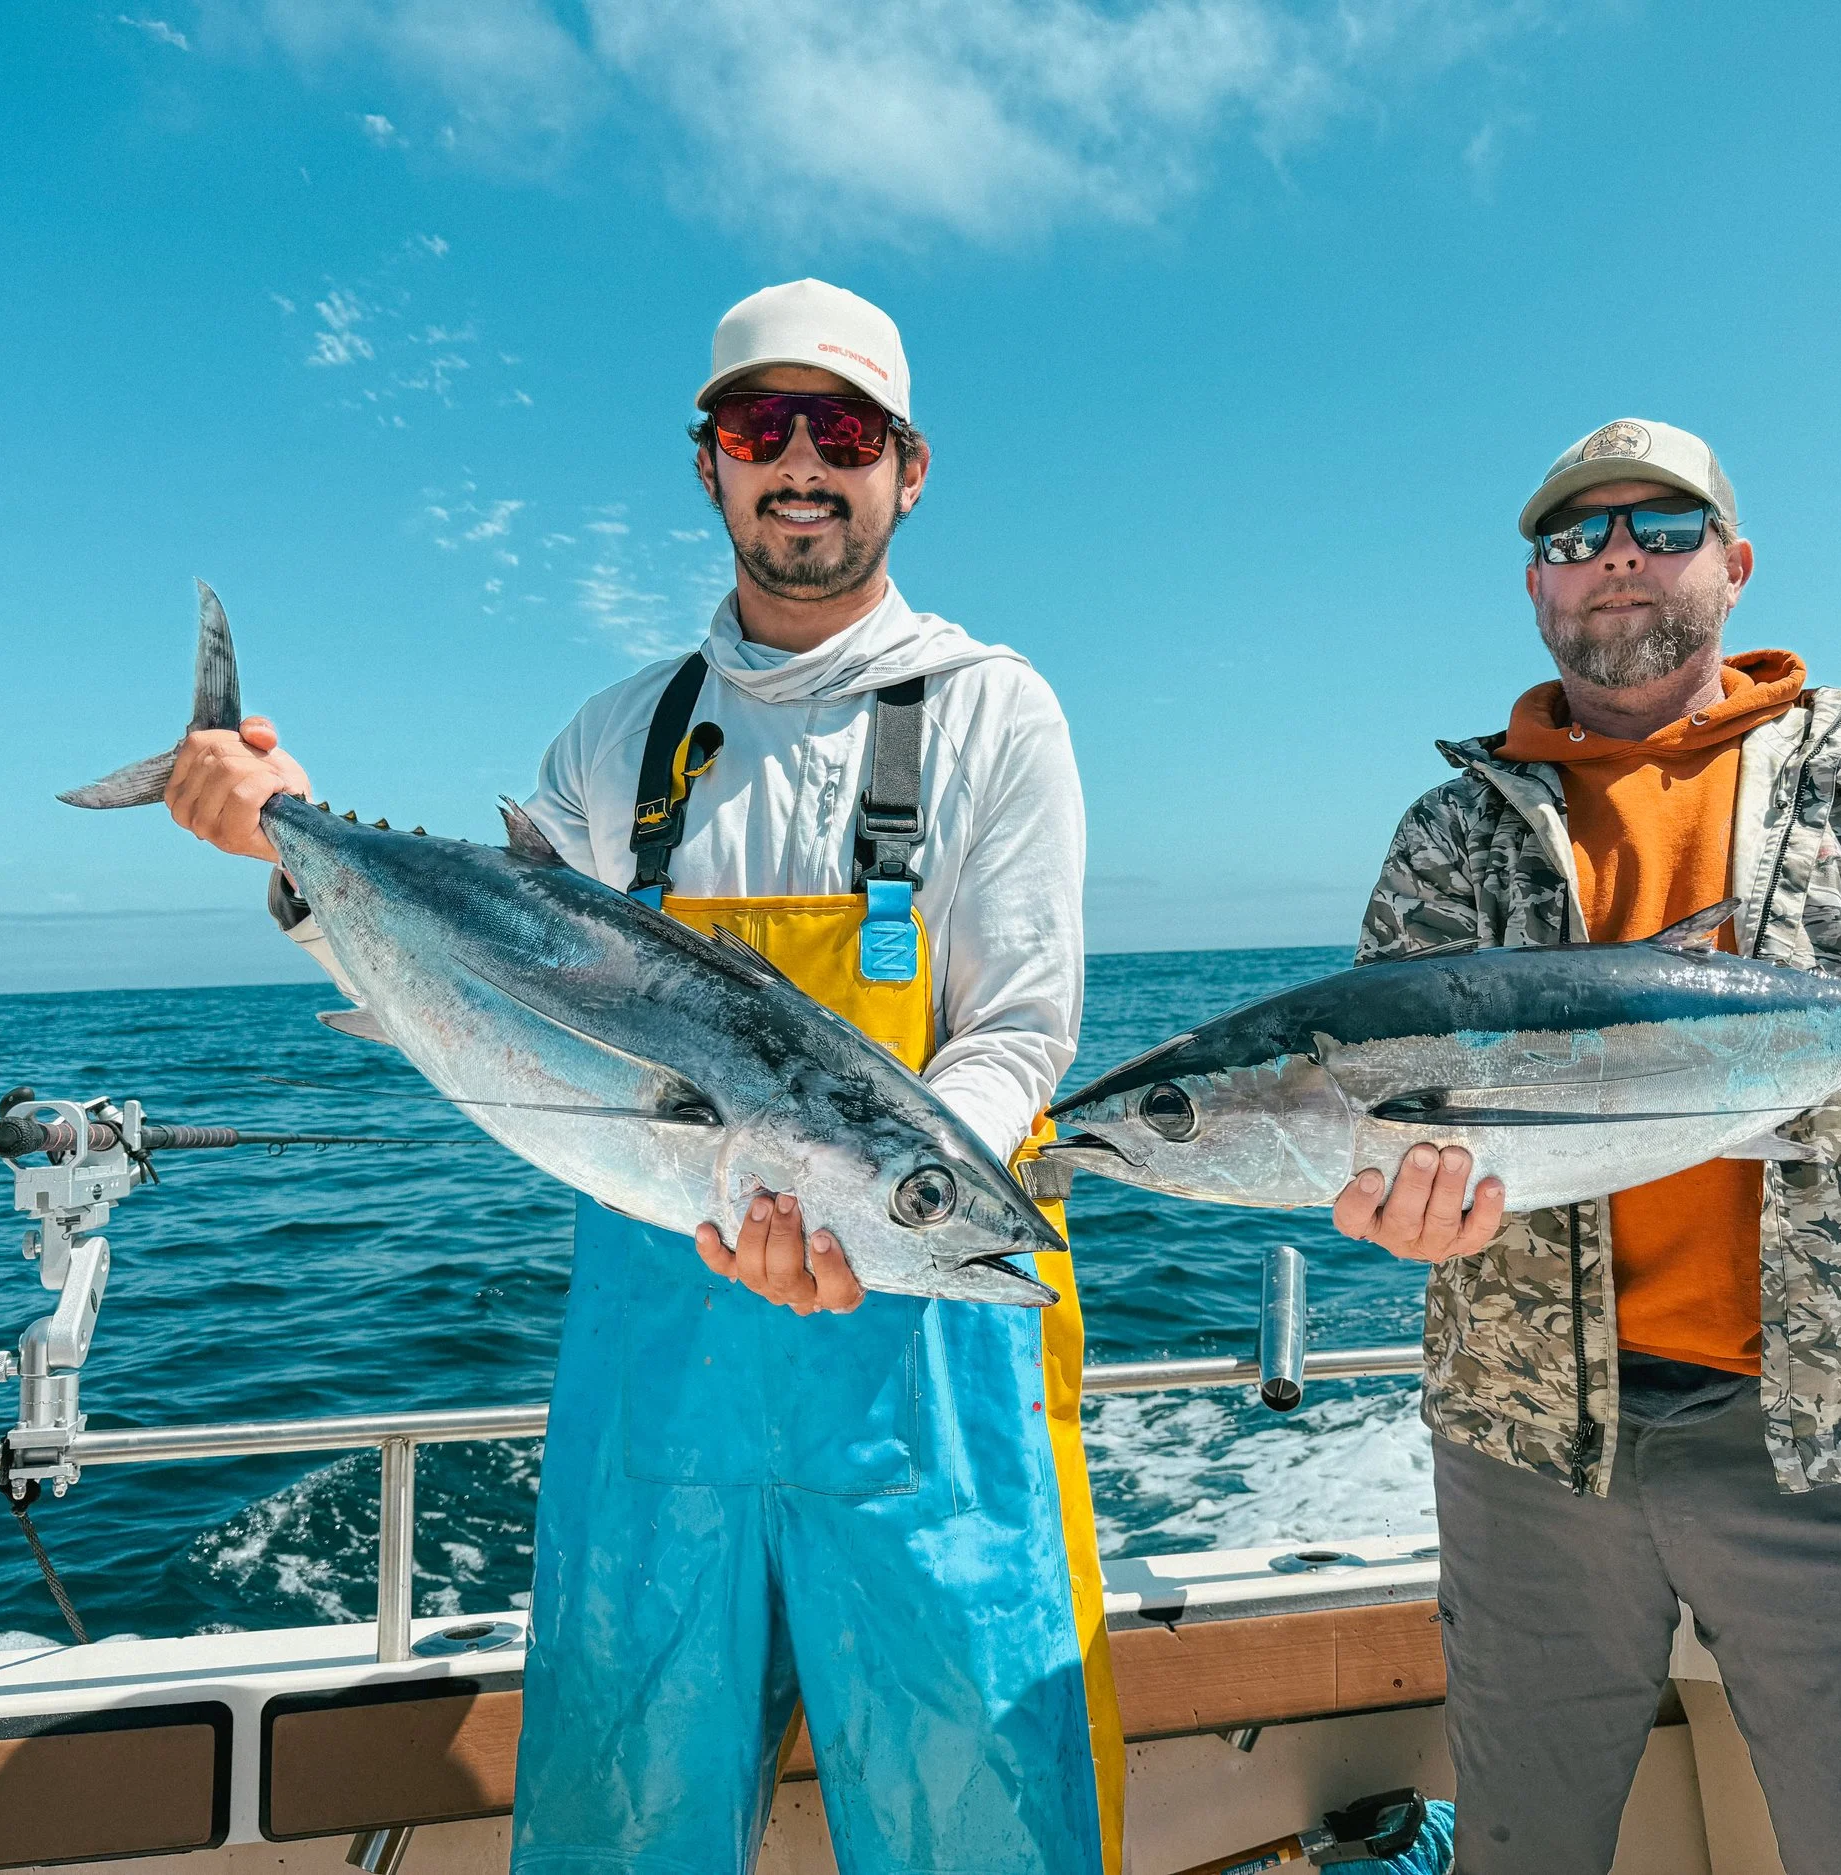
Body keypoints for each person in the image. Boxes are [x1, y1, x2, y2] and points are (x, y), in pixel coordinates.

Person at [160, 280, 1122, 1875]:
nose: (802, 461)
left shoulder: (991, 712)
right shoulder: (618, 742)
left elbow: (1019, 1030)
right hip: (656, 1378)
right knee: (625, 1835)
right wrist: (286, 848)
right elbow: (481, 1003)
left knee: (982, 1837)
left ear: (910, 466)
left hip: (929, 1377)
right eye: (763, 426)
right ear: (710, 465)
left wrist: (895, 1201)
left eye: (845, 429)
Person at [1332, 419, 1841, 1874]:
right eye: (1575, 537)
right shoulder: (1453, 834)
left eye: (1662, 527)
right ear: (1537, 592)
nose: (1616, 556)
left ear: (1735, 567)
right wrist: (1393, 1210)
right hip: (1528, 1456)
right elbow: (1381, 1118)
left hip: (1833, 1450)